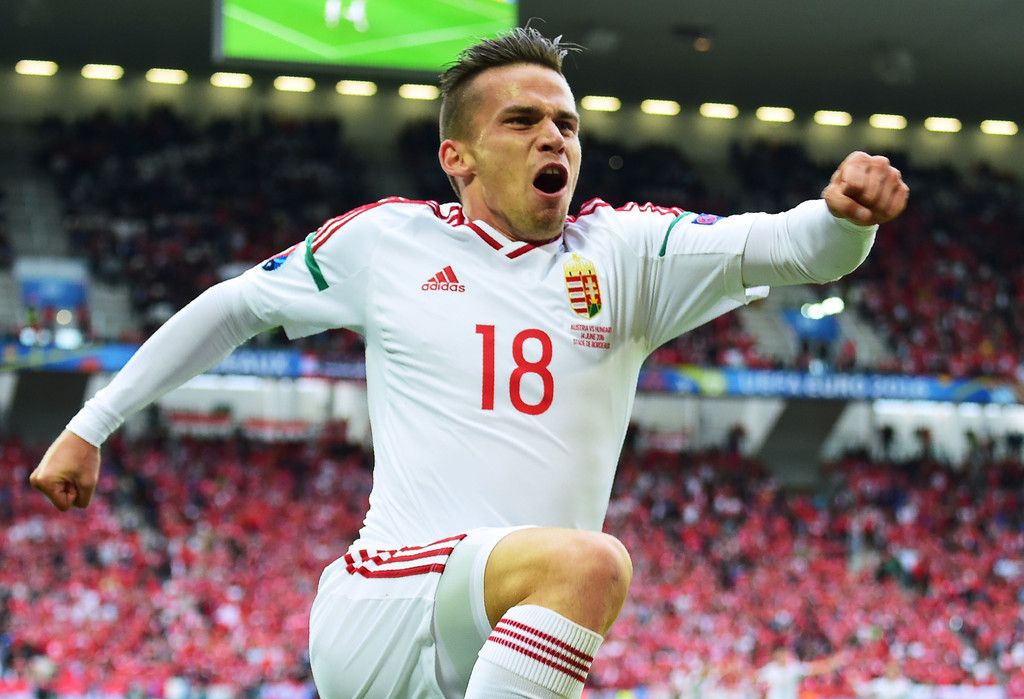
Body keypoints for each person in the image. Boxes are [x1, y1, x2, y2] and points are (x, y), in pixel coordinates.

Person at [30, 27, 909, 699]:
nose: (552, 138)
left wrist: (847, 218)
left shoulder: (627, 254)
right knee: (589, 565)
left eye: (565, 123)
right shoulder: (388, 242)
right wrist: (90, 424)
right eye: (521, 121)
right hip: (387, 601)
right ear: (458, 157)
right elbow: (234, 306)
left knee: (576, 569)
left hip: (496, 629)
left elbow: (795, 248)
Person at [756, 647, 843, 699]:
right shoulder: (769, 669)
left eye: (784, 654)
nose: (783, 656)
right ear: (775, 655)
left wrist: (830, 665)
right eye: (780, 654)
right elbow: (756, 679)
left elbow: (812, 669)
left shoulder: (793, 667)